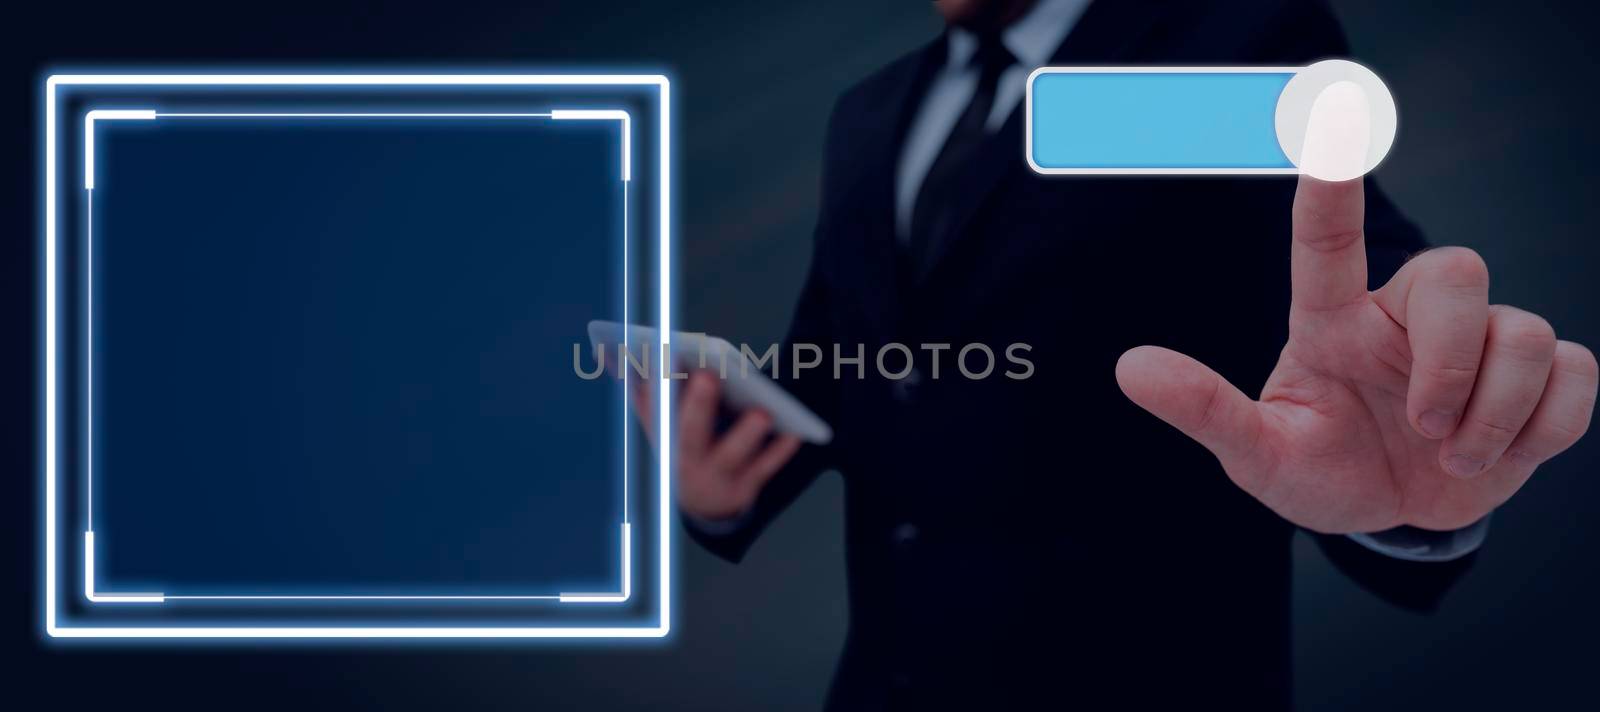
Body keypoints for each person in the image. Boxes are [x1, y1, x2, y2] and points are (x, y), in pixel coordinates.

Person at [631, 0, 1598, 708]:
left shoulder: (1221, 48)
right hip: (891, 680)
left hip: (1142, 681)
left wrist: (1419, 395)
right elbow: (850, 357)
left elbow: (1345, 257)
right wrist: (723, 486)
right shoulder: (869, 111)